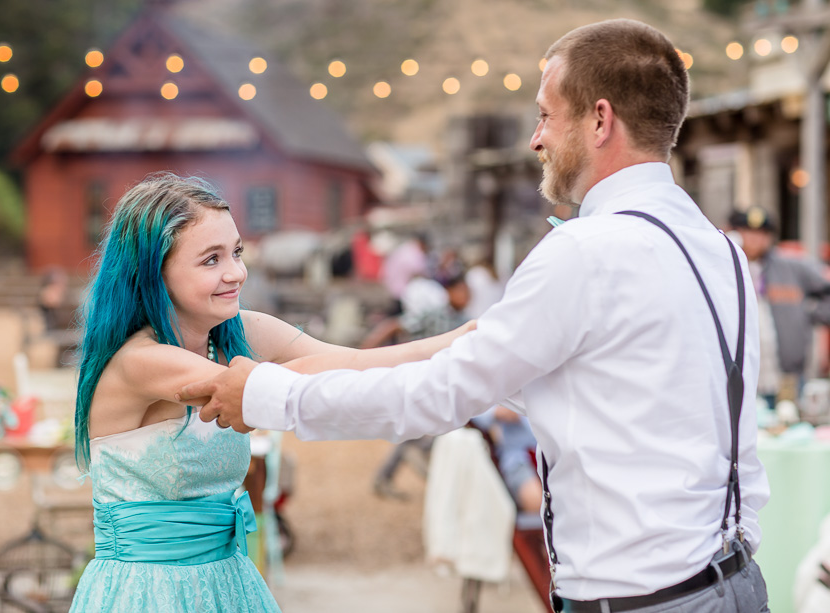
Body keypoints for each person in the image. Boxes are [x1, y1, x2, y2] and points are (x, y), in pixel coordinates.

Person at [180, 19, 772, 612]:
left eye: (545, 114)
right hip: (737, 582)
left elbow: (437, 397)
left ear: (599, 119)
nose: (536, 138)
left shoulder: (584, 252)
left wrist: (265, 397)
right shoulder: (719, 249)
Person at [68, 172, 473, 613]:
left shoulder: (238, 333)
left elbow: (350, 362)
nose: (235, 273)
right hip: (148, 591)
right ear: (153, 273)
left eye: (237, 252)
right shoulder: (141, 362)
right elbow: (265, 387)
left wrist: (468, 339)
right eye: (211, 260)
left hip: (226, 578)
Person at [362, 273, 472, 499]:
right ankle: (429, 476)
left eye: (467, 292)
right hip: (421, 380)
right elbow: (395, 325)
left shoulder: (465, 321)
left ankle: (396, 476)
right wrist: (365, 353)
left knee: (423, 429)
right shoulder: (433, 315)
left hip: (445, 385)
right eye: (460, 291)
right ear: (448, 292)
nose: (465, 296)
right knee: (423, 428)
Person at [728, 206, 830, 408]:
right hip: (743, 378)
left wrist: (809, 312)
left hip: (787, 379)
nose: (755, 239)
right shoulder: (726, 267)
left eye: (762, 233)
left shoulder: (792, 267)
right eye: (748, 232)